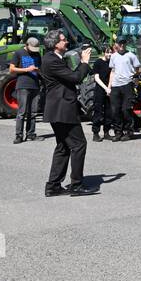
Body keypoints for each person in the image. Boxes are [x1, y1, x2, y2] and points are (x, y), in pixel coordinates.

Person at [41, 30, 96, 197]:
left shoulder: (55, 59)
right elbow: (75, 78)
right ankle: (76, 185)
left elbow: (71, 77)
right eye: (63, 40)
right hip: (62, 108)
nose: (66, 42)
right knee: (79, 145)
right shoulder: (51, 60)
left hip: (59, 108)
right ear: (55, 44)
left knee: (63, 147)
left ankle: (53, 185)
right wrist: (84, 62)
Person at [9, 35, 42, 144]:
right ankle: (19, 135)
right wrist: (27, 69)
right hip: (23, 85)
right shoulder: (18, 53)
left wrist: (38, 71)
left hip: (35, 85)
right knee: (22, 112)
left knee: (33, 113)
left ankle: (31, 134)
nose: (33, 51)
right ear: (26, 45)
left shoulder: (37, 54)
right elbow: (11, 69)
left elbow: (40, 68)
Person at [107, 38, 140, 142]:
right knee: (115, 110)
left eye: (123, 43)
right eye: (119, 43)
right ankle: (118, 132)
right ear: (116, 44)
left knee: (126, 109)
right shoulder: (113, 56)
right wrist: (109, 86)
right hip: (115, 85)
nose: (121, 45)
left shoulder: (131, 55)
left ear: (125, 44)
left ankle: (128, 131)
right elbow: (112, 71)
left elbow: (138, 68)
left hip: (127, 85)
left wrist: (134, 78)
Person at [90, 50, 112, 142]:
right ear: (104, 53)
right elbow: (96, 77)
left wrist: (109, 88)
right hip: (100, 89)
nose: (109, 54)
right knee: (98, 111)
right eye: (107, 52)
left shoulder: (112, 63)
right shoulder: (98, 62)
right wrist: (106, 88)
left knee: (109, 112)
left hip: (110, 89)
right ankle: (95, 133)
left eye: (111, 52)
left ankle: (106, 133)